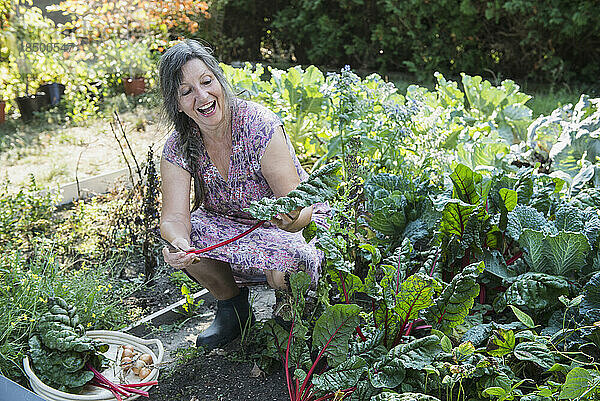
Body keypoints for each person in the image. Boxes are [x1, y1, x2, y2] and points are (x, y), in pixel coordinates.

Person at [158, 39, 330, 349]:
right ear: (178, 104)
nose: (202, 96)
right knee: (189, 238)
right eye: (187, 92)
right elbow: (173, 218)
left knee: (286, 265)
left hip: (284, 229)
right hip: (229, 225)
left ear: (219, 80)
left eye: (206, 82)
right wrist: (178, 243)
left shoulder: (257, 126)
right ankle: (233, 310)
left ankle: (292, 315)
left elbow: (301, 208)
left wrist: (289, 220)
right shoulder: (179, 145)